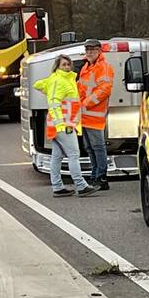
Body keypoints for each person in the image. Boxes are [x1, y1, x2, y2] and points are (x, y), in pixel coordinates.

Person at [33, 54, 99, 198]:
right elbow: (54, 103)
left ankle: (57, 187)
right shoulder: (59, 81)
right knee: (74, 154)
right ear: (57, 67)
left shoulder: (60, 80)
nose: (67, 67)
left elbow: (39, 85)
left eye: (68, 64)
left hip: (60, 124)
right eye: (63, 65)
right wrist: (60, 124)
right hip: (64, 125)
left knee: (57, 157)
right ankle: (81, 185)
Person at [78, 39, 114, 190]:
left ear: (100, 51)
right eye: (87, 50)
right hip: (84, 114)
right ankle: (95, 175)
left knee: (98, 147)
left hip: (94, 114)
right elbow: (80, 88)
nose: (90, 52)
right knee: (90, 147)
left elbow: (105, 89)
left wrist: (85, 103)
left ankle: (101, 177)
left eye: (93, 49)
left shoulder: (104, 67)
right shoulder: (86, 67)